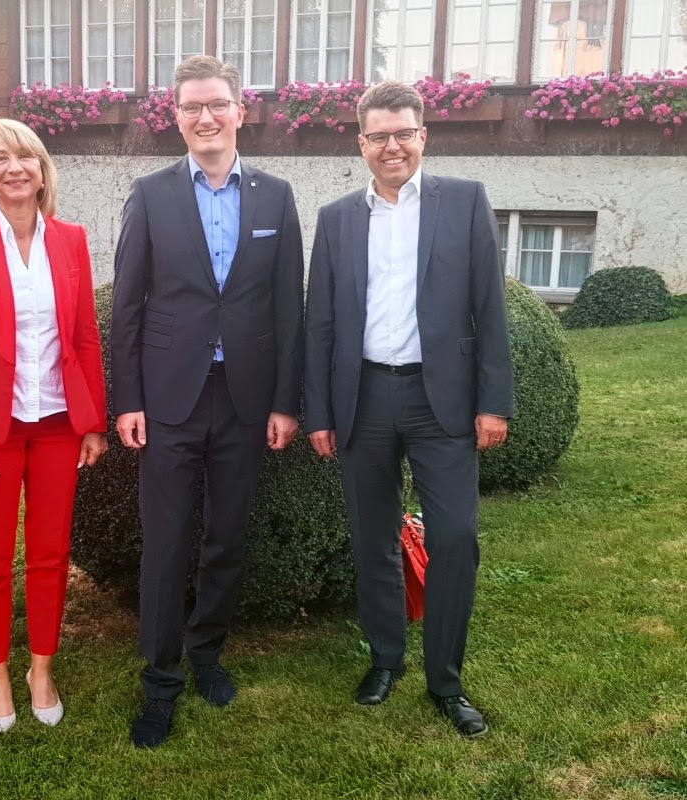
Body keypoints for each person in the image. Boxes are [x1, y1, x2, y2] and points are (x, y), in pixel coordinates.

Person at [304, 81, 514, 737]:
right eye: (379, 136)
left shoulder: (464, 201)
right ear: (360, 142)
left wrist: (493, 403)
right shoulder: (338, 218)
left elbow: (489, 307)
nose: (391, 146)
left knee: (454, 538)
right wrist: (319, 412)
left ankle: (445, 680)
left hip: (440, 400)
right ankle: (385, 659)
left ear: (423, 136)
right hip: (363, 398)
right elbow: (320, 323)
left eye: (403, 133)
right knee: (373, 538)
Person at [111, 55, 304, 749]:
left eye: (217, 103)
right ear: (176, 116)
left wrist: (285, 401)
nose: (205, 116)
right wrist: (127, 399)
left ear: (239, 111)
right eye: (192, 106)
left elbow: (288, 307)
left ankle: (207, 653)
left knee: (227, 538)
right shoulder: (150, 194)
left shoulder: (275, 196)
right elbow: (128, 305)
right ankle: (160, 680)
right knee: (165, 545)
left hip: (245, 399)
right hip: (169, 400)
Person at [0, 117, 108, 733]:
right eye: (0, 158)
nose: (14, 168)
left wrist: (93, 422)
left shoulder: (71, 239)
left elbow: (84, 336)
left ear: (41, 170)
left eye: (25, 157)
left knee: (50, 554)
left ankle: (40, 668)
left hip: (59, 424)